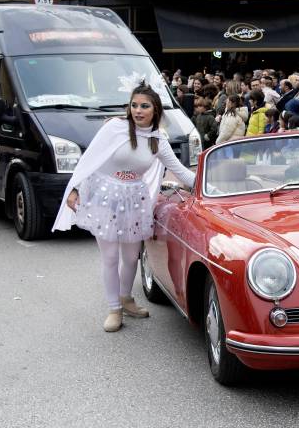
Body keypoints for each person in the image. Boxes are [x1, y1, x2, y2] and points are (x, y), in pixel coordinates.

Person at [52, 81, 196, 332]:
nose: (138, 110)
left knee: (130, 257)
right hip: (105, 197)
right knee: (109, 257)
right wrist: (74, 188)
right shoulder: (115, 128)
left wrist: (207, 184)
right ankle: (113, 308)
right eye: (134, 105)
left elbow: (180, 171)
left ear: (155, 110)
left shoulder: (157, 139)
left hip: (135, 200)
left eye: (145, 106)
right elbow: (90, 159)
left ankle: (126, 298)